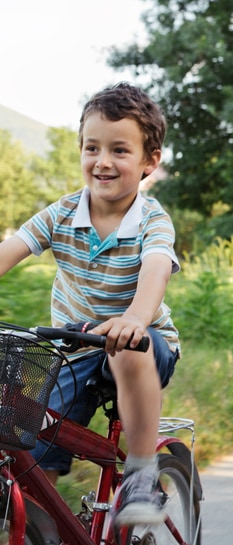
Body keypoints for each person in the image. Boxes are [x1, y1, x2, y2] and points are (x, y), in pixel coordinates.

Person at [0, 82, 180, 526]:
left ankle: (141, 473)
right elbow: (11, 248)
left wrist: (136, 318)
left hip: (143, 345)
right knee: (28, 445)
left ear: (148, 162)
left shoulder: (152, 219)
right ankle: (44, 521)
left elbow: (156, 267)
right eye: (92, 148)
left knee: (125, 348)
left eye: (120, 150)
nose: (103, 161)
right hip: (74, 348)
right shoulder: (61, 213)